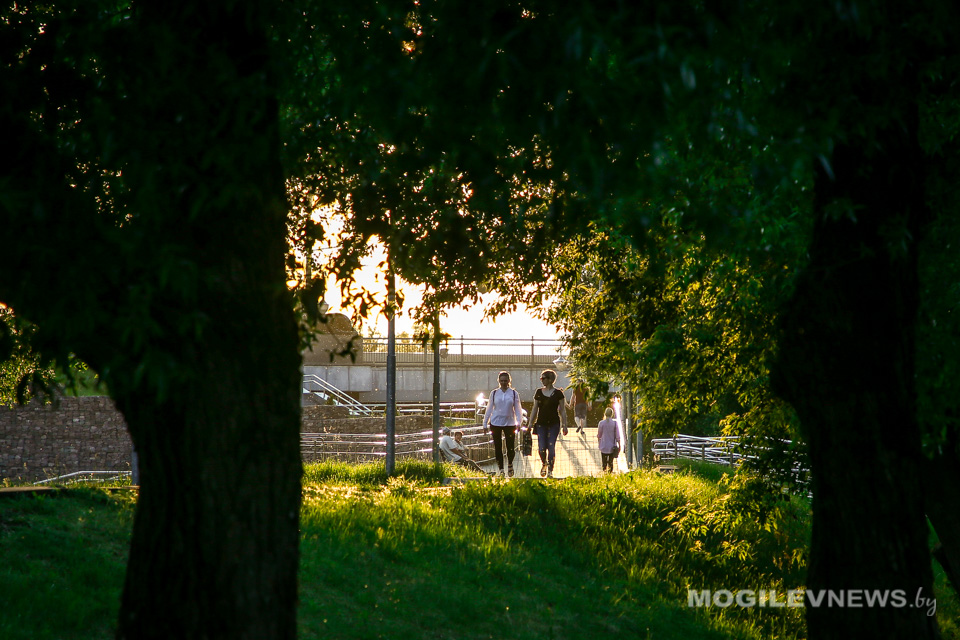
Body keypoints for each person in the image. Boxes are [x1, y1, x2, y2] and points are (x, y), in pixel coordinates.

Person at [482, 371, 524, 477]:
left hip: (510, 423)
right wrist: (485, 423)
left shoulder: (514, 393)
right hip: (495, 422)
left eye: (505, 381)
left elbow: (518, 409)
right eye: (501, 381)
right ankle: (501, 469)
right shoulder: (494, 393)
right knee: (498, 447)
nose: (503, 383)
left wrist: (519, 422)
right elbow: (489, 408)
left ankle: (510, 463)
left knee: (510, 447)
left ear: (509, 381)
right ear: (499, 381)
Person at [526, 369, 567, 478]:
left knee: (551, 446)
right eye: (541, 378)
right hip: (541, 423)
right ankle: (544, 463)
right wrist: (530, 423)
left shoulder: (558, 393)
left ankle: (550, 471)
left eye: (543, 378)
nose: (542, 380)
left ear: (550, 380)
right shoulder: (539, 392)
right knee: (541, 447)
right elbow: (535, 408)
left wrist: (565, 425)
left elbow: (562, 410)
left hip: (554, 423)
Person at [597, 407, 621, 473]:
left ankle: (604, 474)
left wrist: (599, 443)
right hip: (612, 447)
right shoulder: (615, 423)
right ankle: (610, 474)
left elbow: (599, 435)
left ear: (605, 414)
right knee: (611, 462)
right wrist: (619, 445)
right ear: (612, 414)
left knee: (604, 463)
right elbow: (617, 436)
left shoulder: (601, 423)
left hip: (603, 446)